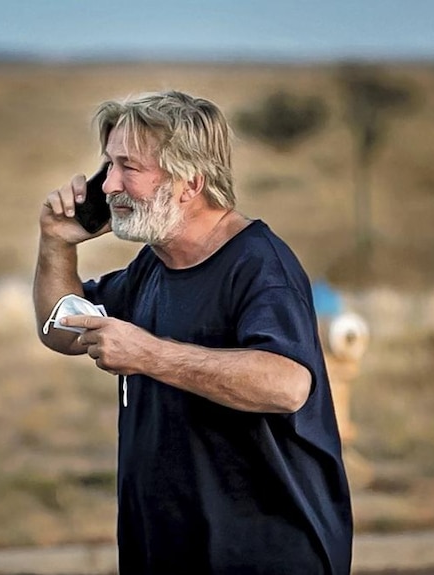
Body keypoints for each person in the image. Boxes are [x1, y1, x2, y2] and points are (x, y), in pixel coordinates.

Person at [33, 90, 353, 574]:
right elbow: (61, 328)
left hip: (261, 557)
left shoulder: (259, 266)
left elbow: (287, 385)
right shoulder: (153, 267)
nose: (108, 184)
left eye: (128, 168)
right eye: (108, 165)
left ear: (190, 183)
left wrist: (150, 356)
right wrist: (56, 242)